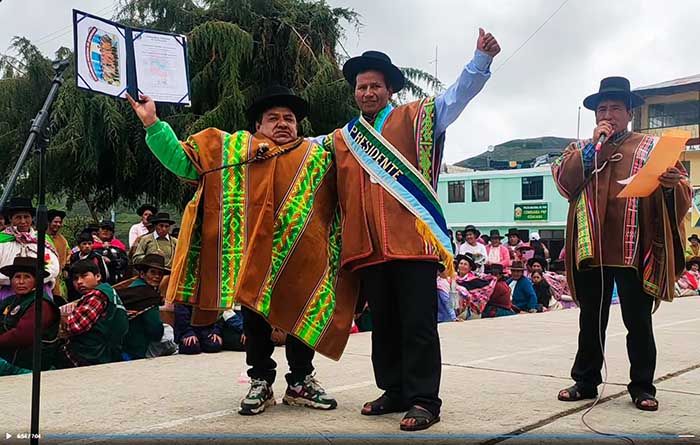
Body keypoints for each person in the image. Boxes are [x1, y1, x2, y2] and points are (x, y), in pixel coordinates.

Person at [128, 85, 357, 416]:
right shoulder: (233, 149)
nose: (282, 124)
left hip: (302, 258)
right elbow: (182, 161)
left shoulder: (318, 157)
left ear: (298, 126)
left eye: (289, 119)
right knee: (256, 324)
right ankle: (260, 382)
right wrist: (153, 124)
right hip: (252, 259)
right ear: (258, 126)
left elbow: (351, 186)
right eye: (273, 118)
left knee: (301, 316)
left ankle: (301, 381)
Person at [321, 29, 500, 431]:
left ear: (389, 90)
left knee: (418, 325)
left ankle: (424, 400)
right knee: (382, 325)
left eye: (375, 86)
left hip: (413, 245)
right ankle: (393, 389)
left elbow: (456, 96)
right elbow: (303, 154)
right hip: (368, 248)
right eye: (361, 86)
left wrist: (480, 62)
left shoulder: (416, 117)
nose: (367, 92)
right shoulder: (342, 139)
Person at [552, 76, 692, 411]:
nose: (608, 114)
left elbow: (685, 195)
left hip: (635, 249)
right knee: (590, 320)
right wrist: (591, 150)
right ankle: (585, 381)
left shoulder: (653, 148)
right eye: (602, 109)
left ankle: (643, 386)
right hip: (592, 249)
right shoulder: (582, 148)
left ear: (629, 113)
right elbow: (564, 182)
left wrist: (672, 186)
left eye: (615, 107)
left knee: (638, 322)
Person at [56, 260, 129, 367]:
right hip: (106, 353)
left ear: (98, 276)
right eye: (75, 279)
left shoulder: (97, 295)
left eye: (84, 276)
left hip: (91, 356)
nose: (79, 282)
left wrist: (60, 316)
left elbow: (74, 326)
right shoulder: (107, 290)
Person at [0, 256, 60, 375]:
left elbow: (22, 335)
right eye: (17, 277)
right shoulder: (11, 301)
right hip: (9, 358)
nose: (21, 282)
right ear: (11, 280)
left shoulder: (42, 304)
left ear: (36, 281)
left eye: (27, 277)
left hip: (28, 367)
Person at [0, 197, 60, 300]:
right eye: (18, 217)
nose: (23, 221)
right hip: (9, 294)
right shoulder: (2, 241)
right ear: (10, 219)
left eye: (26, 217)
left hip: (40, 293)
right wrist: (16, 282)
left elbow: (53, 267)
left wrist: (33, 281)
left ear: (31, 218)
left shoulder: (42, 239)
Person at [118, 254, 176, 360]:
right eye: (152, 272)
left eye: (160, 273)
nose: (157, 277)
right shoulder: (148, 296)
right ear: (142, 274)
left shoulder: (131, 288)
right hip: (137, 350)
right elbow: (155, 330)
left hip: (121, 346)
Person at [46, 209, 71, 304]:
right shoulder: (39, 237)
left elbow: (69, 254)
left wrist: (65, 269)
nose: (58, 224)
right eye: (55, 222)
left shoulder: (63, 240)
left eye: (60, 222)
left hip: (59, 280)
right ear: (48, 222)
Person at [96, 220, 129, 285]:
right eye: (103, 228)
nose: (105, 231)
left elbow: (124, 262)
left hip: (115, 281)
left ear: (112, 233)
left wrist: (111, 262)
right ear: (98, 231)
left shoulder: (119, 246)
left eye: (109, 229)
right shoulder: (89, 244)